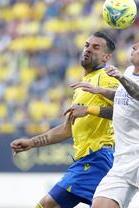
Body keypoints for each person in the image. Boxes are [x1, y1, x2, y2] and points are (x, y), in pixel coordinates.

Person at [10, 31, 119, 208]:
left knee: (48, 204)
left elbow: (124, 110)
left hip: (97, 157)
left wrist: (89, 110)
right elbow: (66, 130)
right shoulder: (83, 86)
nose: (88, 49)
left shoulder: (105, 77)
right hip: (88, 159)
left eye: (95, 47)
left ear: (106, 56)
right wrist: (32, 142)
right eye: (86, 45)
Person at [73, 31, 139, 208]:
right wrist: (100, 91)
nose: (134, 46)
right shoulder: (129, 73)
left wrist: (120, 78)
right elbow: (123, 99)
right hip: (122, 160)